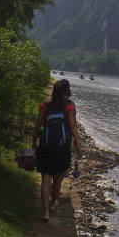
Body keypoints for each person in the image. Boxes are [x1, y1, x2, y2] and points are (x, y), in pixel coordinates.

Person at [32, 79, 82, 220]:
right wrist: (78, 147)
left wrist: (33, 142)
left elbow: (37, 126)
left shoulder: (45, 106)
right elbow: (73, 128)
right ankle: (53, 202)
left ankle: (45, 212)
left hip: (45, 146)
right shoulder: (68, 108)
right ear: (66, 92)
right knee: (58, 178)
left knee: (45, 178)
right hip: (62, 148)